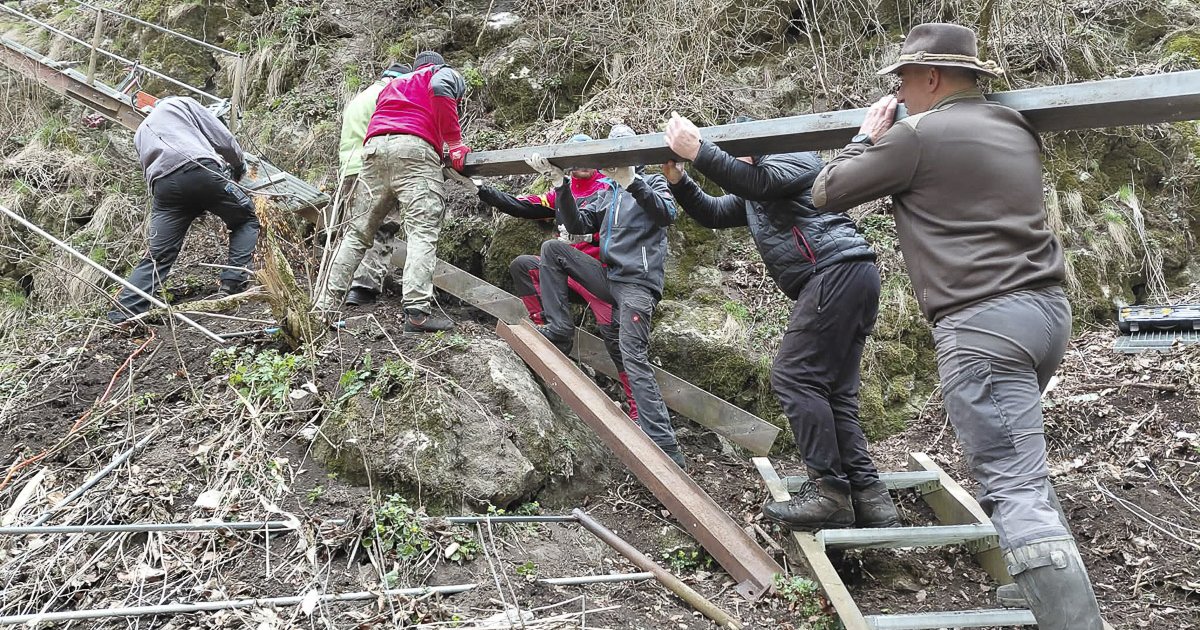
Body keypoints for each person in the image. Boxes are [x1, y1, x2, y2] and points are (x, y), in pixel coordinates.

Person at [810, 22, 1108, 630]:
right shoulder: (1015, 127)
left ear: (931, 76)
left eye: (902, 80)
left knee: (1013, 485)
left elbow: (826, 191)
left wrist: (866, 138)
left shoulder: (914, 137)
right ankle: (1039, 593)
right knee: (1023, 463)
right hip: (1046, 313)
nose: (897, 92)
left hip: (981, 323)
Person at [662, 114, 899, 531]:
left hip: (835, 271)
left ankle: (828, 493)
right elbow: (716, 212)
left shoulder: (792, 157)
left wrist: (698, 151)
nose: (734, 156)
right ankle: (868, 494)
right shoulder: (758, 186)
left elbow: (759, 184)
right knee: (834, 392)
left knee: (794, 376)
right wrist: (680, 181)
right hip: (845, 276)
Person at [525, 148, 685, 467]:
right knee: (553, 249)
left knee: (632, 355)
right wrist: (561, 185)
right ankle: (559, 329)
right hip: (609, 277)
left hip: (638, 284)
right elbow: (575, 225)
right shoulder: (608, 192)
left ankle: (666, 449)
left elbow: (667, 213)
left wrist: (633, 183)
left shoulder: (653, 182)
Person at [480, 128, 641, 421]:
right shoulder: (561, 192)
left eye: (586, 159)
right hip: (565, 275)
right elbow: (521, 205)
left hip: (601, 275)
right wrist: (481, 190)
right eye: (573, 159)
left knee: (616, 340)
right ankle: (549, 330)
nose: (580, 165)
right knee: (524, 266)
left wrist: (590, 237)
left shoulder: (608, 186)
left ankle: (637, 409)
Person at [316, 51, 469, 332]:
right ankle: (416, 313)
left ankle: (323, 306)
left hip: (373, 152)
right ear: (437, 64)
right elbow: (441, 89)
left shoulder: (390, 86)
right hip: (414, 152)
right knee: (422, 232)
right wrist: (455, 143)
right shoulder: (440, 73)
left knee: (357, 233)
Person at [107, 96, 258, 324]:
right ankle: (233, 283)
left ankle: (124, 314)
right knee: (245, 220)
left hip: (165, 188)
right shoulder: (180, 103)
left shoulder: (140, 132)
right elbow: (223, 139)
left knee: (158, 256)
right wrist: (238, 166)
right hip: (199, 169)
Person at [334, 62, 411, 307]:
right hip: (372, 167)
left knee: (354, 229)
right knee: (381, 227)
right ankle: (364, 288)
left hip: (349, 169)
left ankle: (338, 285)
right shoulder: (389, 95)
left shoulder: (359, 98)